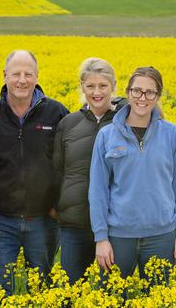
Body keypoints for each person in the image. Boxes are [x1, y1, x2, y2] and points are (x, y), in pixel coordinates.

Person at [0, 50, 69, 295]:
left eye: (28, 74)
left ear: (37, 77)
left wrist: (59, 204)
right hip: (1, 221)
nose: (22, 80)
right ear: (5, 76)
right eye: (16, 74)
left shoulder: (57, 114)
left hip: (44, 220)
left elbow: (69, 165)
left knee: (42, 290)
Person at [89, 66, 176, 288]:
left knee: (157, 299)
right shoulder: (107, 135)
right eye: (136, 91)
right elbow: (97, 190)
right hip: (118, 237)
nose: (142, 98)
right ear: (128, 92)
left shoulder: (172, 135)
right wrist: (101, 238)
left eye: (149, 92)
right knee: (112, 299)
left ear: (158, 96)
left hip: (161, 236)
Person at [52, 58, 126, 284]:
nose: (96, 92)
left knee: (111, 292)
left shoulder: (126, 123)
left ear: (113, 86)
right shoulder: (68, 123)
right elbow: (58, 169)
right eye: (90, 86)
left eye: (103, 86)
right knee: (71, 290)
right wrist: (57, 206)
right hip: (75, 223)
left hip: (115, 224)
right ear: (82, 86)